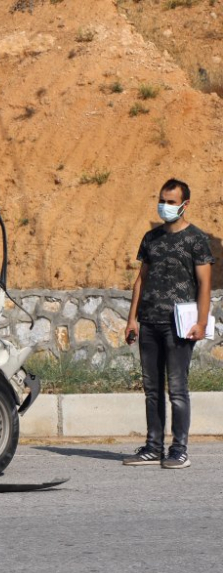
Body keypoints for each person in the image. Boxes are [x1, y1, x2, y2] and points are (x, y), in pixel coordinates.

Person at [123, 178, 214, 469]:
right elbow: (141, 280)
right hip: (148, 322)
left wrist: (201, 322)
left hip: (179, 326)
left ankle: (179, 449)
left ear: (184, 205)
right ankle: (153, 447)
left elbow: (204, 284)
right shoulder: (151, 238)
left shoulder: (196, 239)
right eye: (163, 200)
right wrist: (132, 320)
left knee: (177, 389)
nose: (165, 206)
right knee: (152, 389)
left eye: (171, 202)